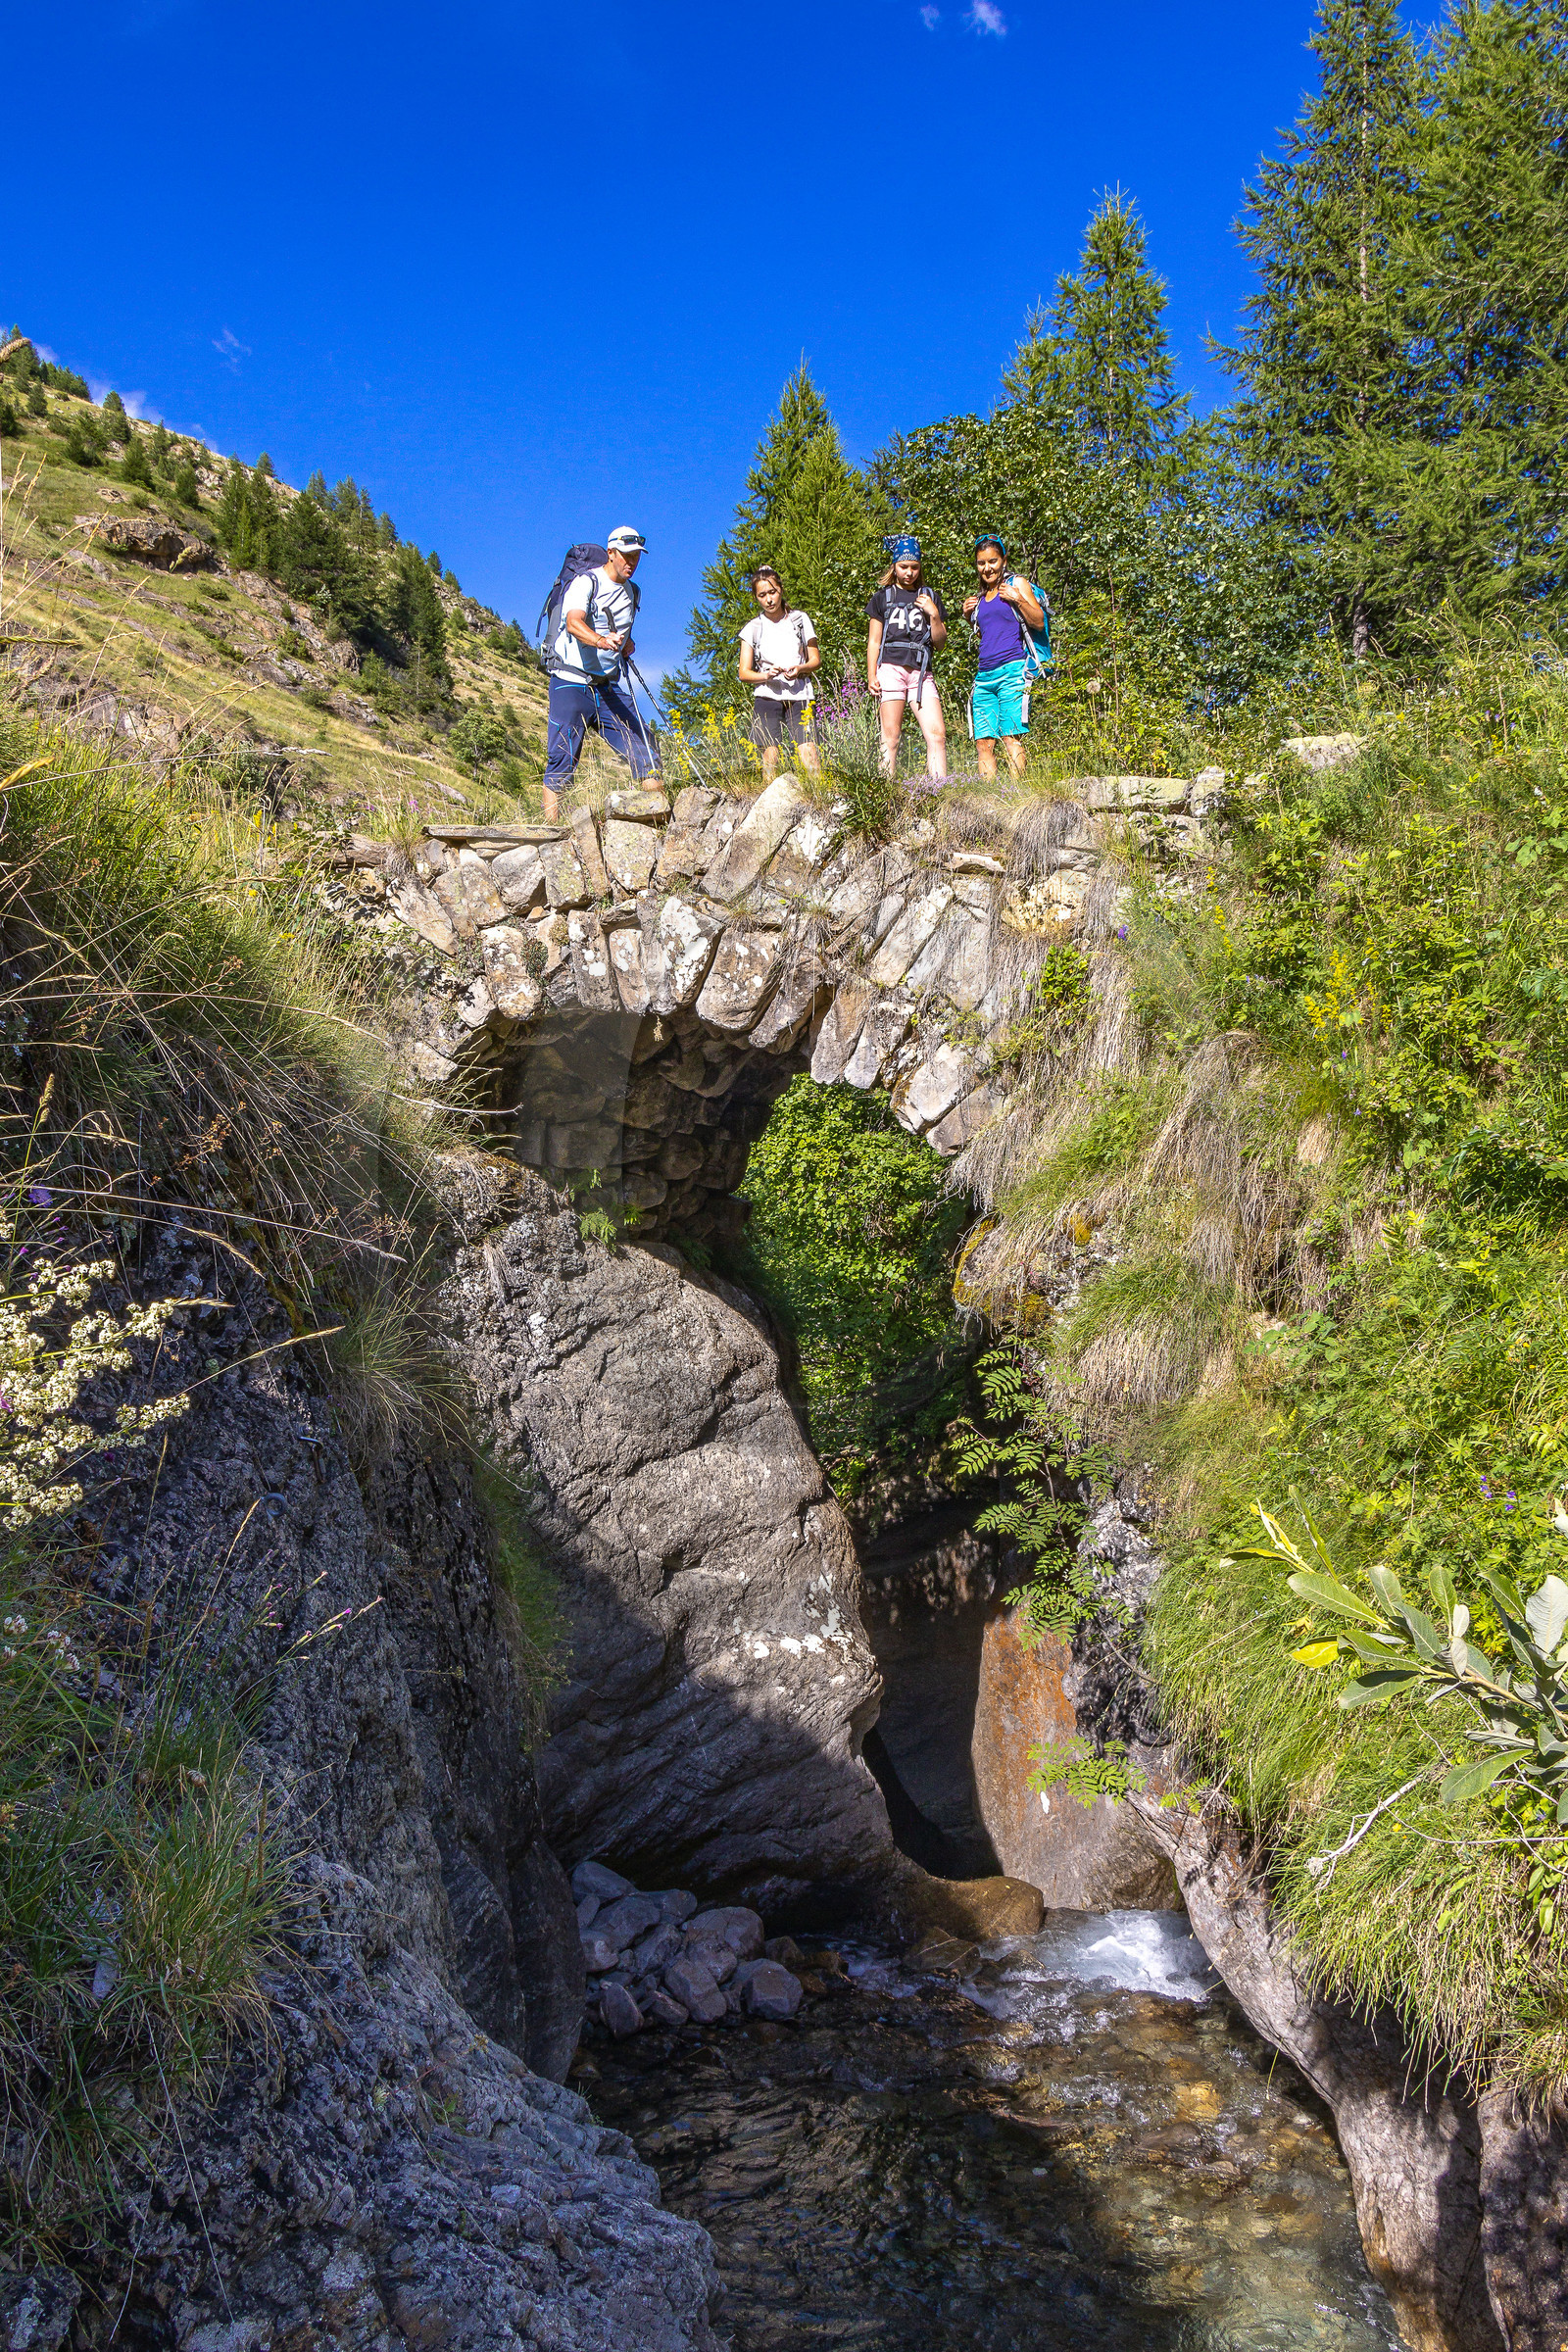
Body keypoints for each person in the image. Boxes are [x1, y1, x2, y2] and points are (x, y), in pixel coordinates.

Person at [544, 526, 657, 821]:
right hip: (570, 680)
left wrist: (625, 643)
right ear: (610, 553)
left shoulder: (633, 592)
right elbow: (573, 623)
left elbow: (622, 628)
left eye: (636, 557)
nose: (631, 562)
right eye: (625, 555)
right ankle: (550, 834)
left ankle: (656, 820)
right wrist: (599, 640)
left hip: (606, 686)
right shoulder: (586, 582)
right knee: (562, 757)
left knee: (645, 746)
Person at [961, 535, 1048, 781]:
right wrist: (969, 617)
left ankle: (1016, 797)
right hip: (984, 676)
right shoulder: (980, 598)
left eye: (992, 561)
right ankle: (990, 799)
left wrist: (1017, 598)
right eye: (981, 563)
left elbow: (1038, 622)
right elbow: (987, 635)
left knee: (1011, 736)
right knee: (984, 743)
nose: (987, 568)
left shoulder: (1017, 583)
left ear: (1003, 560)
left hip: (1013, 670)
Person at [865, 535, 949, 781]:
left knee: (937, 734)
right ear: (894, 566)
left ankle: (939, 791)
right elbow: (874, 640)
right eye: (903, 567)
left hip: (922, 672)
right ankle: (885, 791)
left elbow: (940, 642)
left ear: (920, 566)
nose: (909, 572)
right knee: (890, 736)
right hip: (890, 669)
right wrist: (871, 674)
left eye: (914, 567)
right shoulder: (883, 598)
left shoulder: (929, 596)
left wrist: (934, 614)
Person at [738, 566, 821, 782]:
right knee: (769, 752)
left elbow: (815, 660)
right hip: (767, 694)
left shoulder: (800, 620)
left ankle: (819, 795)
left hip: (800, 692)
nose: (769, 599)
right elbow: (744, 673)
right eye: (762, 595)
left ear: (781, 590)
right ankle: (767, 799)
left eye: (772, 592)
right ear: (756, 598)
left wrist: (800, 669)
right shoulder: (752, 628)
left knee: (808, 748)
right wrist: (766, 675)